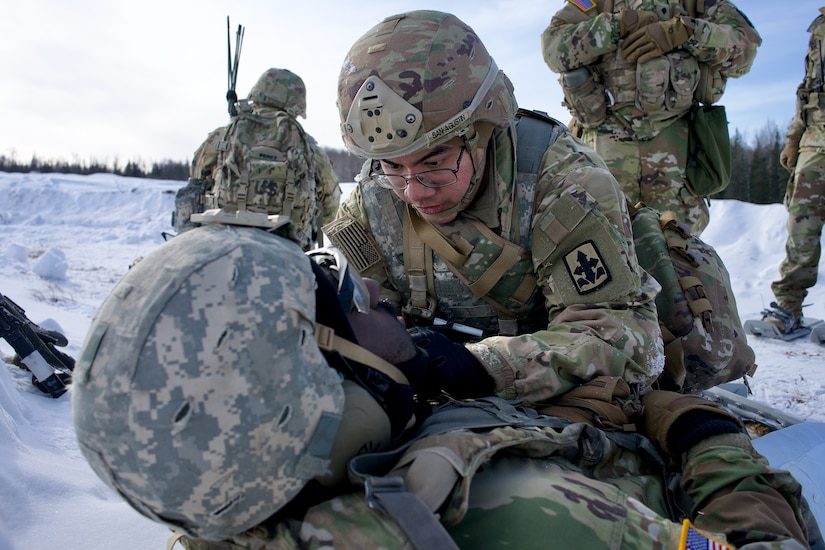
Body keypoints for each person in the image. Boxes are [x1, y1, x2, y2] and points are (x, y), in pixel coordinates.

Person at [71, 208, 813, 549]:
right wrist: (703, 435)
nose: (369, 302)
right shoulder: (531, 515)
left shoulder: (232, 499)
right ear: (312, 405)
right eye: (344, 308)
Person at [324, 9, 663, 407]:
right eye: (393, 167)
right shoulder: (372, 199)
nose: (413, 192)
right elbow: (366, 316)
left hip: (551, 401)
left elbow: (624, 336)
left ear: (482, 131)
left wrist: (480, 367)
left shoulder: (563, 184)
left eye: (434, 164)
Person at [541, 1, 761, 236]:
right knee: (602, 249)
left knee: (678, 256)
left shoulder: (696, 4)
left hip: (677, 156)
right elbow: (554, 48)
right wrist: (617, 25)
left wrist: (685, 32)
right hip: (603, 151)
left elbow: (745, 50)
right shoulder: (599, 2)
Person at [177, 68, 341, 250]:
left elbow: (196, 182)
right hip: (289, 248)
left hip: (221, 243)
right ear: (297, 104)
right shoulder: (310, 149)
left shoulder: (222, 137)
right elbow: (331, 205)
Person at [762, 7, 825, 335]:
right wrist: (793, 137)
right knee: (801, 225)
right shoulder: (819, 28)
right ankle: (789, 306)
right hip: (816, 142)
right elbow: (808, 90)